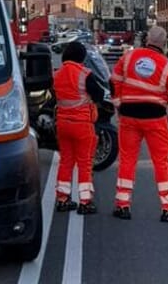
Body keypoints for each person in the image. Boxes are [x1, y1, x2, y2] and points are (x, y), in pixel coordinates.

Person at [111, 25, 168, 222]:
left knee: (127, 160)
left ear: (147, 40)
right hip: (155, 118)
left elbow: (114, 82)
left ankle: (122, 205)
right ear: (164, 43)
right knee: (161, 162)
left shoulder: (128, 57)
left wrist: (119, 106)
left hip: (128, 116)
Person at [52, 41, 108, 214]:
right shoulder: (85, 74)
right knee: (84, 164)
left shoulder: (57, 74)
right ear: (82, 57)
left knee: (66, 162)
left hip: (63, 124)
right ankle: (85, 202)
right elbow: (99, 94)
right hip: (82, 124)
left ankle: (62, 199)